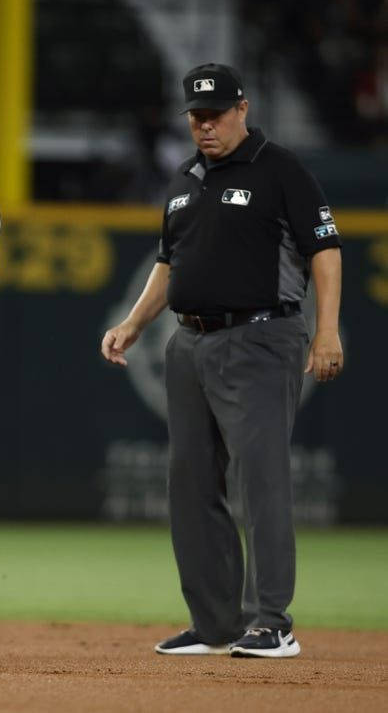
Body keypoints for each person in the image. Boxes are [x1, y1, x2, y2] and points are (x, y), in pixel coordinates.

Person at [101, 63, 344, 659]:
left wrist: (327, 331)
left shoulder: (280, 168)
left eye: (215, 114)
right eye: (196, 117)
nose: (205, 126)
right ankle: (215, 624)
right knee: (189, 484)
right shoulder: (185, 179)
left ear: (242, 107)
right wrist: (135, 323)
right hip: (189, 344)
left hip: (261, 338)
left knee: (260, 480)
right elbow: (169, 262)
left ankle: (272, 622)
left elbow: (325, 248)